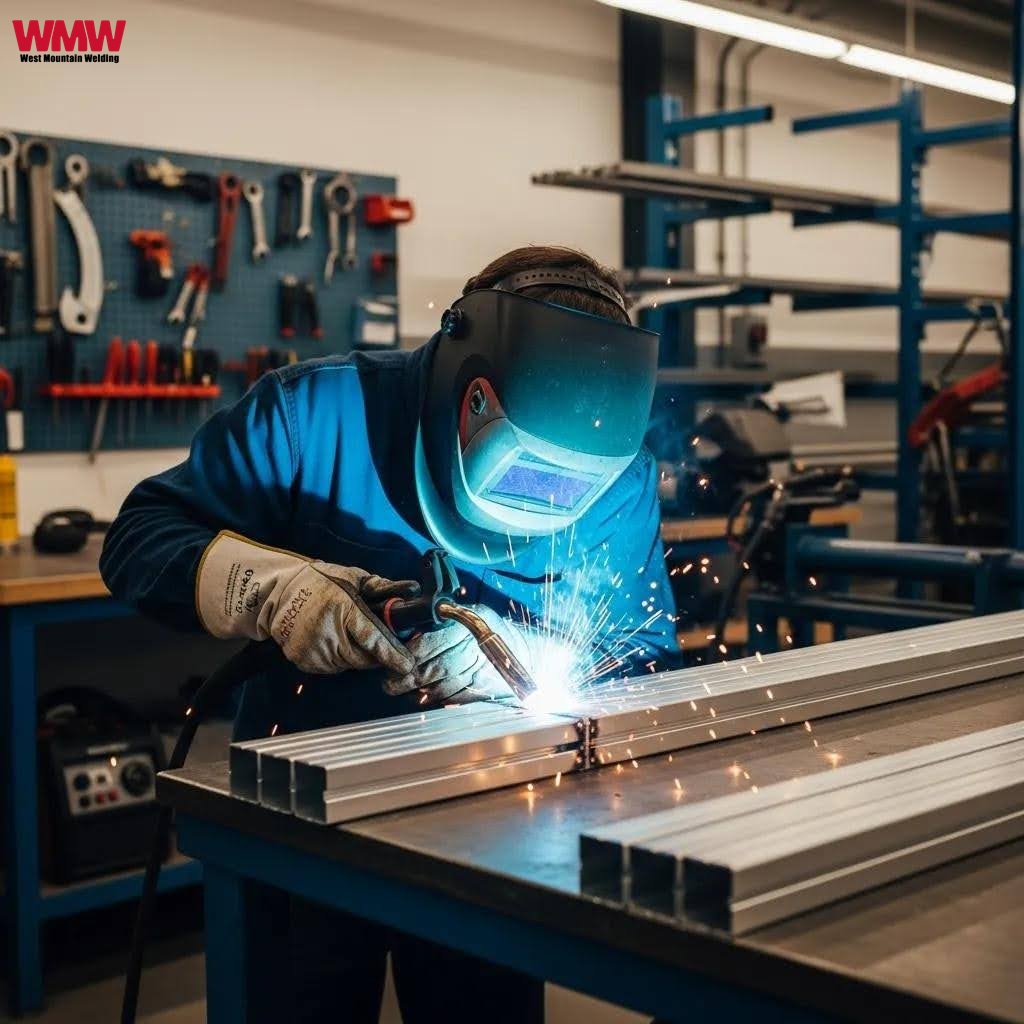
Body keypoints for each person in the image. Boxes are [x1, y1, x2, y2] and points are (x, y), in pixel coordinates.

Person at [101, 244, 680, 1023]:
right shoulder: (314, 415)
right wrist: (270, 589)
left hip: (495, 836)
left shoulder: (623, 481)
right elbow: (139, 536)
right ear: (465, 377)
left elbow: (647, 663)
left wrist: (535, 657)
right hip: (301, 822)